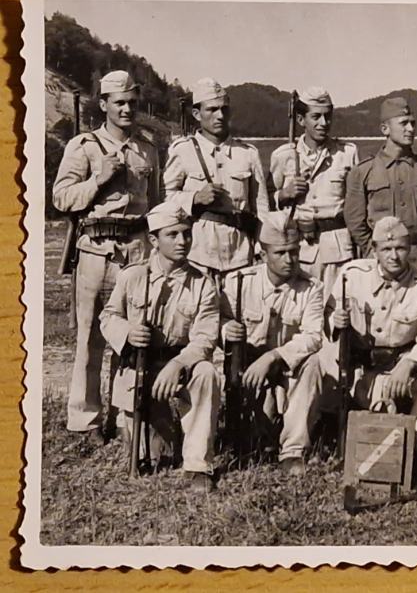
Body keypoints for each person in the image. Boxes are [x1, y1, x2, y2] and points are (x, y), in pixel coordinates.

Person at [52, 70, 160, 442]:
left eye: (132, 102)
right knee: (91, 338)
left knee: (131, 335)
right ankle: (86, 420)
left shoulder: (147, 149)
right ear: (103, 105)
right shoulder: (83, 147)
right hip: (96, 251)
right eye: (119, 103)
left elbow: (155, 205)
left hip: (137, 250)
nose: (127, 109)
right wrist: (98, 179)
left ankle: (127, 416)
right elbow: (61, 198)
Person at [301, 216, 417, 468]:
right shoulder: (351, 276)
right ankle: (319, 433)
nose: (394, 256)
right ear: (375, 251)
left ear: (410, 248)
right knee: (317, 359)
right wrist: (336, 321)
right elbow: (326, 325)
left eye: (401, 248)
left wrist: (410, 364)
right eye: (386, 249)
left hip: (400, 374)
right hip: (360, 372)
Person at [99, 201, 221, 492]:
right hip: (139, 366)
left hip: (179, 364)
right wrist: (128, 333)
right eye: (173, 234)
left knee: (206, 372)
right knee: (155, 456)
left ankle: (198, 465)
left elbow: (205, 338)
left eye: (187, 233)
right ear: (154, 240)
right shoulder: (132, 276)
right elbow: (108, 316)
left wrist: (178, 364)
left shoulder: (202, 283)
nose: (183, 241)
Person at [220, 213, 325, 476]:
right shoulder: (239, 283)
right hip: (246, 366)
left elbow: (313, 335)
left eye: (294, 251)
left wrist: (274, 357)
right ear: (263, 254)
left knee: (313, 363)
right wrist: (225, 327)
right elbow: (215, 319)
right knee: (253, 438)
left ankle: (293, 450)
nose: (289, 259)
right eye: (280, 253)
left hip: (285, 365)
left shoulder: (311, 287)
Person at [163, 77, 270, 281]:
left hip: (240, 256)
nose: (220, 115)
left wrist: (260, 249)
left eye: (224, 109)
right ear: (196, 114)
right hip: (197, 256)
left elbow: (261, 208)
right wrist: (193, 198)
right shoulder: (183, 151)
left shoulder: (247, 153)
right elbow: (166, 200)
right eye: (212, 110)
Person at [269, 87, 359, 301]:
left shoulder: (347, 153)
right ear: (301, 119)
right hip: (299, 249)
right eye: (316, 117)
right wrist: (284, 194)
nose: (323, 123)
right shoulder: (284, 156)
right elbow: (267, 203)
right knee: (299, 310)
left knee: (338, 309)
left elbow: (356, 203)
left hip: (337, 249)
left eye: (328, 116)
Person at [344, 97, 417, 278]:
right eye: (404, 123)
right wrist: (373, 249)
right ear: (385, 129)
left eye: (413, 123)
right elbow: (355, 220)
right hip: (380, 258)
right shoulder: (363, 171)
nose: (411, 129)